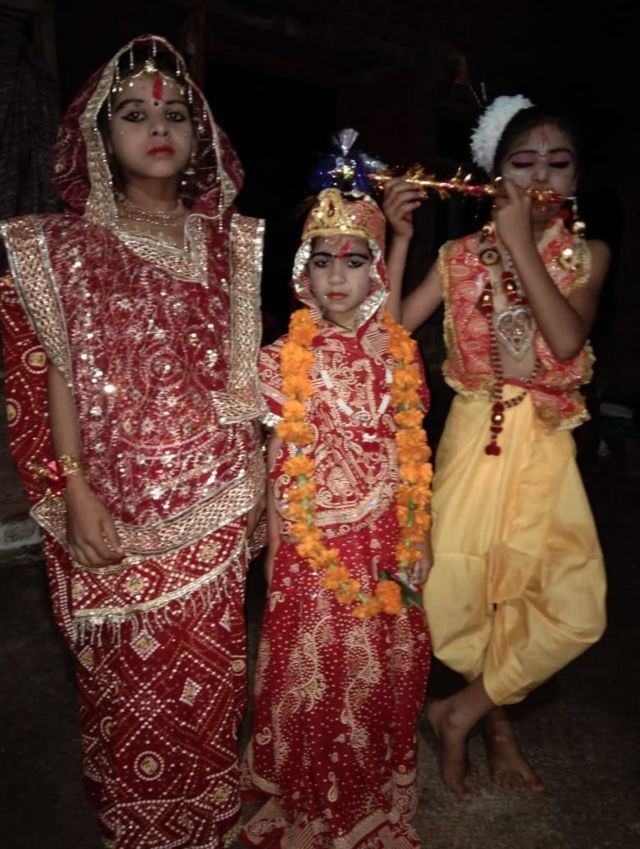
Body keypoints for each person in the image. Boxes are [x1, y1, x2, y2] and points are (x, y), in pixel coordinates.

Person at [0, 35, 265, 849]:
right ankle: (140, 828)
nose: (159, 127)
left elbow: (246, 382)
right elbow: (60, 372)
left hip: (220, 496)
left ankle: (205, 823)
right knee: (128, 684)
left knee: (212, 678)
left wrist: (261, 482)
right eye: (134, 114)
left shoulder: (233, 242)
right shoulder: (64, 247)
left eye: (176, 113)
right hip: (114, 503)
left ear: (199, 135)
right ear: (100, 136)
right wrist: (74, 486)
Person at [383, 96, 609, 799]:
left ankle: (464, 709)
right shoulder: (457, 257)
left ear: (577, 179)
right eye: (523, 161)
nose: (541, 174)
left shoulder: (588, 255)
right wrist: (398, 240)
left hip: (542, 441)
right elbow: (389, 332)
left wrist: (518, 244)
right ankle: (496, 728)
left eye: (557, 163)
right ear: (495, 176)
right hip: (471, 434)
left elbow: (564, 342)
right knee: (460, 597)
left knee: (572, 609)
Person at [242, 183, 432, 848]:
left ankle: (369, 789)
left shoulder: (397, 351)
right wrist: (275, 548)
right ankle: (311, 797)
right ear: (303, 271)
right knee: (318, 670)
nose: (337, 276)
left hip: (387, 538)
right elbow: (278, 456)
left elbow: (412, 447)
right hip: (312, 544)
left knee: (384, 666)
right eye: (322, 261)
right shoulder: (280, 358)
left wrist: (423, 535)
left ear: (374, 270)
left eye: (354, 261)